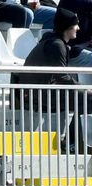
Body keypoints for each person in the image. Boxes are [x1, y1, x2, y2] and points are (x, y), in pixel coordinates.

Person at [12, 9, 92, 152]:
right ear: (67, 27)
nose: (78, 28)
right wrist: (84, 88)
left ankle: (72, 140)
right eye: (76, 25)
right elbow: (61, 77)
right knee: (89, 98)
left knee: (84, 96)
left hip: (41, 90)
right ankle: (72, 142)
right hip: (41, 94)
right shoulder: (57, 45)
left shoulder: (53, 41)